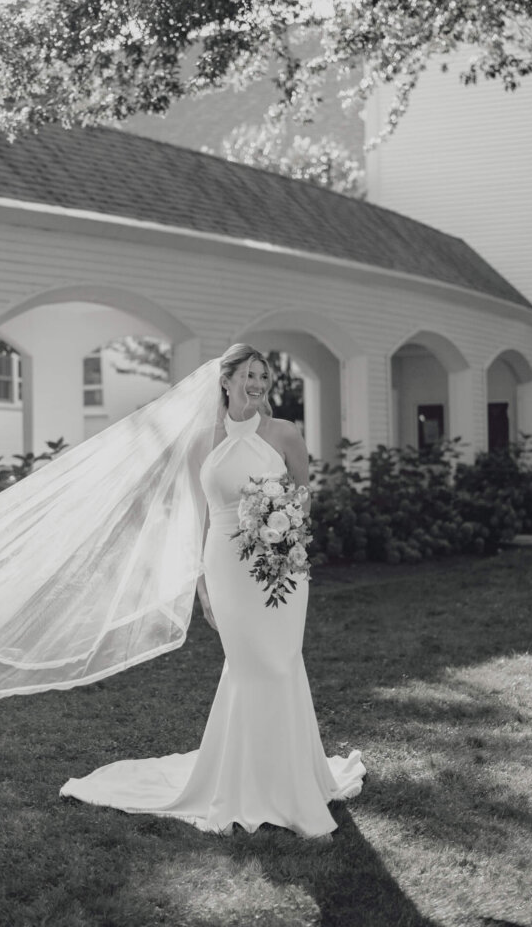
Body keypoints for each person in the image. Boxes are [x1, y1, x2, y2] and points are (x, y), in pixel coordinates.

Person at [60, 344, 365, 838]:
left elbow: (303, 503)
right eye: (248, 374)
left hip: (281, 568)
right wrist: (201, 586)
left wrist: (282, 538)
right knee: (251, 667)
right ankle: (248, 785)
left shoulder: (285, 433)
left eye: (263, 376)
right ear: (224, 381)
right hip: (226, 569)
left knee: (281, 663)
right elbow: (195, 521)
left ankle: (290, 781)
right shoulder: (201, 442)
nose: (258, 383)